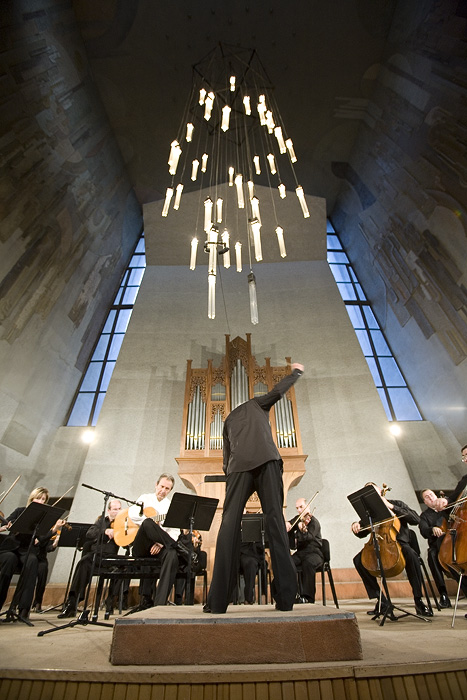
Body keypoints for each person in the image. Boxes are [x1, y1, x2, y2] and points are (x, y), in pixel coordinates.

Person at [204, 363, 304, 614]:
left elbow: (225, 458)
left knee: (229, 523)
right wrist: (295, 374)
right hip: (267, 460)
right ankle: (285, 599)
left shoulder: (227, 420)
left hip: (238, 467)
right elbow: (279, 391)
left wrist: (233, 477)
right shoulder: (257, 403)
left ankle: (217, 602)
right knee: (275, 520)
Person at [351, 482, 431, 618]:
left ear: (381, 493)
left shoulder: (397, 503)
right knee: (358, 560)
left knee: (411, 555)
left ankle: (418, 600)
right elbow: (362, 533)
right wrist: (356, 526)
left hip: (400, 543)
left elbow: (416, 519)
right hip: (378, 545)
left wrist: (391, 506)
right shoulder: (370, 513)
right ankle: (381, 600)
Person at [0, 487, 66, 619]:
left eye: (43, 499)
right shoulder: (20, 511)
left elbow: (41, 539)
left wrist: (54, 530)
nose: (40, 501)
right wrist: (8, 526)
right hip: (12, 547)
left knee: (32, 561)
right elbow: (6, 523)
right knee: (9, 559)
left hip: (27, 550)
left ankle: (24, 609)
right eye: (38, 498)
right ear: (32, 498)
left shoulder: (43, 519)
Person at [128, 473, 187, 609]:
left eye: (167, 488)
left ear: (170, 490)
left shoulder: (171, 507)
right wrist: (155, 524)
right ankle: (177, 547)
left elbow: (174, 531)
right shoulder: (145, 498)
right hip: (142, 545)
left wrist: (160, 543)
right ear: (156, 485)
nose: (163, 490)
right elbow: (132, 515)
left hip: (161, 546)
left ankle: (159, 603)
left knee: (172, 555)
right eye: (161, 486)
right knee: (148, 523)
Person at [58, 499, 122, 618]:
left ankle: (110, 602)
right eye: (115, 509)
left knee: (124, 566)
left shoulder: (123, 523)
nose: (118, 512)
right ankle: (72, 603)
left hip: (111, 557)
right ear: (108, 510)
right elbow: (90, 534)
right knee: (83, 563)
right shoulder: (101, 521)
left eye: (119, 509)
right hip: (96, 555)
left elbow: (126, 542)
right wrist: (105, 531)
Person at [419, 489, 453, 608]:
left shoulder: (448, 507)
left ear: (436, 495)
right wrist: (432, 529)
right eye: (427, 497)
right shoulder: (424, 516)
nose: (430, 497)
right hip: (438, 546)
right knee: (432, 555)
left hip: (454, 542)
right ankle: (443, 595)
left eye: (431, 495)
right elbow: (423, 531)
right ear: (425, 502)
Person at [287, 497, 323, 603]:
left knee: (308, 563)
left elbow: (310, 537)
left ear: (308, 507)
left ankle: (308, 598)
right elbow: (289, 524)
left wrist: (303, 531)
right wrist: (287, 525)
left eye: (301, 507)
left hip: (315, 553)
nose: (299, 510)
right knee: (288, 562)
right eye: (297, 508)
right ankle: (293, 595)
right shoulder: (298, 519)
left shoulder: (314, 522)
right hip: (301, 553)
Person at [174, 530, 207, 605]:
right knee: (184, 568)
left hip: (192, 563)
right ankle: (187, 601)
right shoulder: (177, 534)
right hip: (180, 562)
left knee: (188, 568)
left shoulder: (195, 534)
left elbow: (197, 553)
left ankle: (181, 600)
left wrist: (195, 547)